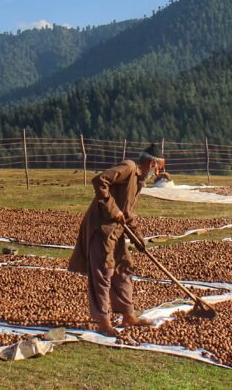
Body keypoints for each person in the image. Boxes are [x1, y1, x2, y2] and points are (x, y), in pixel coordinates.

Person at [68, 142, 163, 337]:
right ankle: (103, 321)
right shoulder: (128, 168)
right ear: (152, 163)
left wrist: (139, 239)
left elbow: (127, 214)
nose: (159, 172)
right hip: (101, 229)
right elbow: (100, 180)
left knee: (124, 268)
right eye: (159, 167)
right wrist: (113, 209)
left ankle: (128, 315)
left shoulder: (139, 180)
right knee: (104, 272)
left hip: (117, 231)